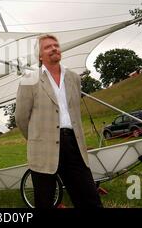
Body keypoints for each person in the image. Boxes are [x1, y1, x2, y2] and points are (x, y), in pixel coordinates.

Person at [15, 34, 103, 208]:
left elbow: (74, 112)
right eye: (48, 47)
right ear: (39, 56)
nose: (54, 48)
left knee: (88, 196)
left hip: (73, 144)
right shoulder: (29, 80)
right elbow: (21, 118)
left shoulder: (74, 78)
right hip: (43, 146)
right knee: (45, 199)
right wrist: (37, 139)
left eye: (56, 45)